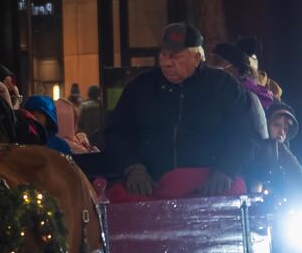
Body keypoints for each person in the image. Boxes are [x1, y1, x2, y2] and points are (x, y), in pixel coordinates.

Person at [103, 23, 256, 200]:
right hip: (152, 184)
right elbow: (116, 133)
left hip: (210, 183)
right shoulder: (140, 87)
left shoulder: (224, 86)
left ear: (197, 58)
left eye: (176, 56)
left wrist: (227, 170)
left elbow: (246, 133)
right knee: (117, 197)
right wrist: (132, 167)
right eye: (163, 55)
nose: (167, 63)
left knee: (236, 193)